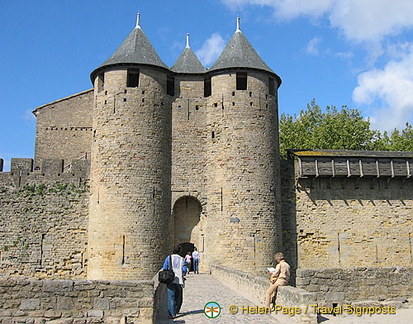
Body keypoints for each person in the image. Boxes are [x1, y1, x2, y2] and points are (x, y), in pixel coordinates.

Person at [162, 245, 187, 319]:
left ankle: (172, 314)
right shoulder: (182, 259)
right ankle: (176, 310)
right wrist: (181, 274)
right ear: (179, 251)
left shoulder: (169, 258)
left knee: (171, 296)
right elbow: (184, 270)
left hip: (170, 279)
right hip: (179, 280)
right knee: (178, 296)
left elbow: (164, 268)